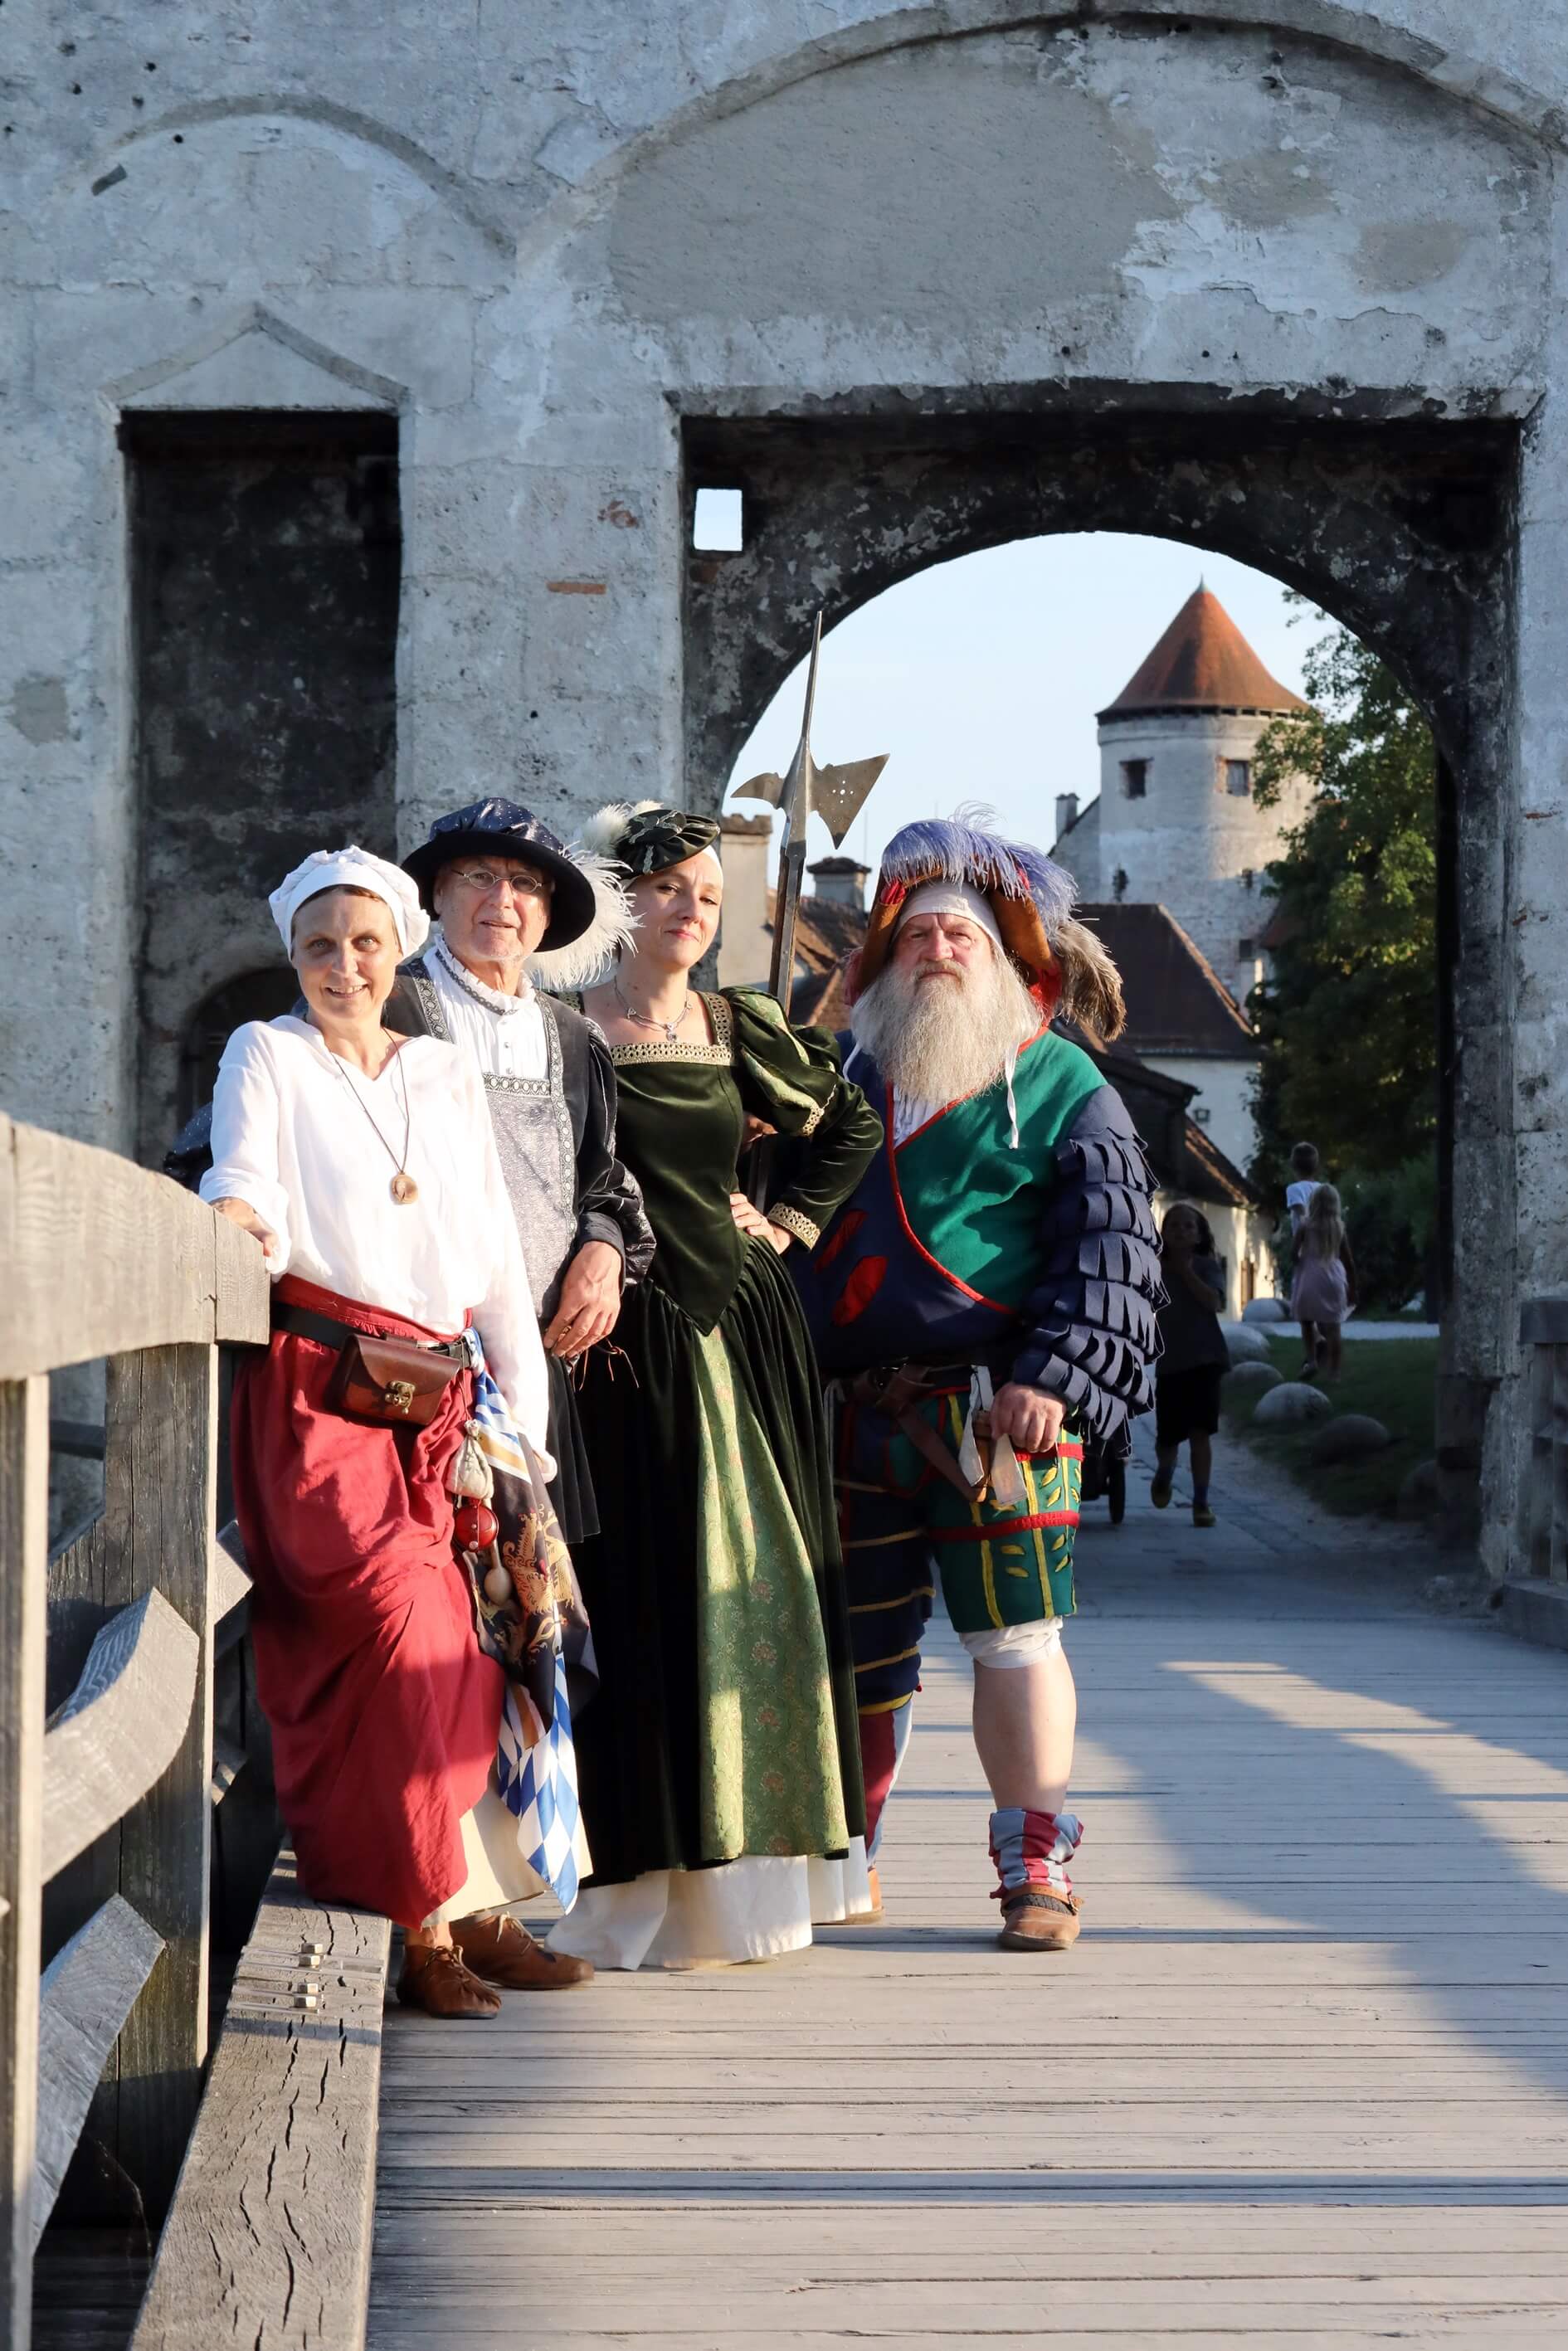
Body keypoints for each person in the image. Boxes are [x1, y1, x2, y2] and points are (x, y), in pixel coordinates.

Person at [201, 846, 592, 2018]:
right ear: (293, 953)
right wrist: (238, 1221)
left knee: (469, 1643)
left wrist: (520, 1421)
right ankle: (416, 1922)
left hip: (440, 1396)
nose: (344, 964)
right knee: (388, 1621)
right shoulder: (265, 1051)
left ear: (399, 948)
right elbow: (249, 1177)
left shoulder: (438, 1071)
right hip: (321, 1391)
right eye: (320, 944)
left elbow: (486, 1258)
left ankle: (466, 1905)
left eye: (366, 942)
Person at [792, 814, 1162, 1954]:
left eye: (962, 935)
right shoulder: (829, 1081)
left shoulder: (1060, 1085)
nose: (939, 950)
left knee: (1016, 1637)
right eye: (918, 934)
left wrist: (1054, 1373)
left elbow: (1108, 1248)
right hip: (853, 1414)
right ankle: (837, 1856)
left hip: (1001, 1410)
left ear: (1009, 960)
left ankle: (1033, 1863)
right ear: (881, 956)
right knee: (851, 1649)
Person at [542, 801, 884, 1971]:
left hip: (737, 1332)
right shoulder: (565, 1028)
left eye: (706, 894)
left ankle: (744, 1881)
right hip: (615, 1343)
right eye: (668, 887)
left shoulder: (738, 1024)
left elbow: (849, 1127)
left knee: (753, 1580)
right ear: (619, 899)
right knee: (633, 1585)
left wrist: (782, 1224)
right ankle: (628, 1871)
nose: (689, 909)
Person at [397, 799, 655, 1543]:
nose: (502, 901)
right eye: (478, 875)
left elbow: (603, 1183)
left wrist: (605, 1253)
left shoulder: (575, 1038)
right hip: (411, 1363)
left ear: (546, 915)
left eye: (526, 885)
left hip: (538, 1369)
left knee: (530, 1600)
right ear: (437, 896)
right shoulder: (386, 1007)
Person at [1150, 1201, 1229, 1528]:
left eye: (1188, 1226)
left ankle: (1201, 1502)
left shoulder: (1207, 1265)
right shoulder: (1153, 1266)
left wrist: (1186, 1273)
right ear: (1163, 1233)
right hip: (1170, 1363)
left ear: (1199, 1235)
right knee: (1168, 1439)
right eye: (1174, 1226)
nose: (1181, 1231)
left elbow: (1215, 1302)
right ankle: (1165, 1473)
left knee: (1201, 1433)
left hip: (1206, 1359)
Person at [1291, 1182, 1356, 1381]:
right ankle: (1334, 1373)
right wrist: (1354, 1287)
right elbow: (1349, 1261)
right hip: (1334, 1278)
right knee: (1333, 1328)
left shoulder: (1305, 1224)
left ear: (1313, 1202)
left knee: (1307, 1321)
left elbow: (1292, 1253)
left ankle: (1311, 1361)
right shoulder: (1339, 1227)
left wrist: (1299, 1262)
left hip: (1309, 1277)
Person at [1284, 1141, 1324, 1375]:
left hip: (1306, 1252)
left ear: (1293, 1165)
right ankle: (1321, 1343)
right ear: (1316, 1165)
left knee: (1302, 1309)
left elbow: (1302, 1215)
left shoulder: (1294, 1189)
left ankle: (1311, 1360)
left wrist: (1296, 1246)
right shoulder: (1323, 1189)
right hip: (1325, 1252)